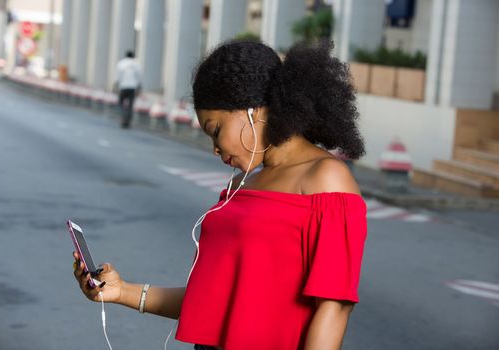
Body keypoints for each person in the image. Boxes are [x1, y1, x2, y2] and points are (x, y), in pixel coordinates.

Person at [73, 39, 368, 350]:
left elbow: (334, 307)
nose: (215, 148)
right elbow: (214, 301)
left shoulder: (326, 179)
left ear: (252, 110)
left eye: (215, 130)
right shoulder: (241, 186)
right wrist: (122, 292)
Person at [115, 50, 142, 128]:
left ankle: (123, 118)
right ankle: (128, 121)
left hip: (123, 87)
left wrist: (116, 85)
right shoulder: (137, 64)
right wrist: (139, 86)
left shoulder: (121, 63)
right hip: (132, 87)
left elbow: (118, 76)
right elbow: (139, 77)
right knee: (130, 105)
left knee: (120, 103)